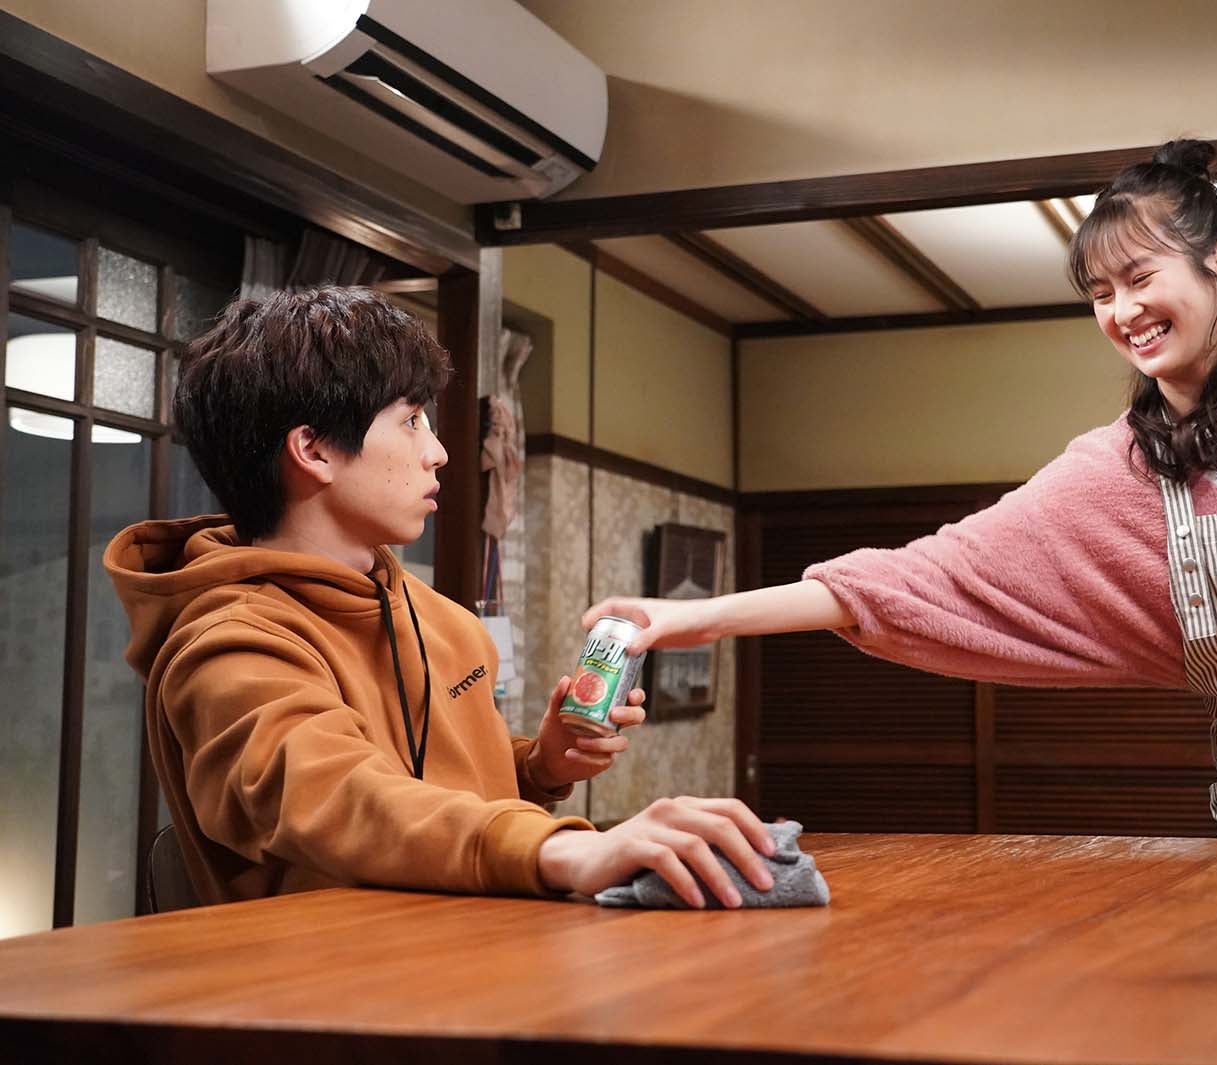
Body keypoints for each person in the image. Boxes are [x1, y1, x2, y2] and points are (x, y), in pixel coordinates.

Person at [583, 140, 1217, 1021]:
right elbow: (919, 576)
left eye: (1141, 277)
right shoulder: (1113, 473)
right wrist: (697, 618)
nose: (1122, 311)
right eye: (1100, 293)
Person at [106, 286, 774, 911]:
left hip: (482, 957)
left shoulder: (444, 621)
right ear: (314, 450)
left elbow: (444, 799)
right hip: (336, 985)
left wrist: (538, 765)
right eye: (412, 420)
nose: (439, 452)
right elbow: (337, 799)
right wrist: (566, 847)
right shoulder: (229, 645)